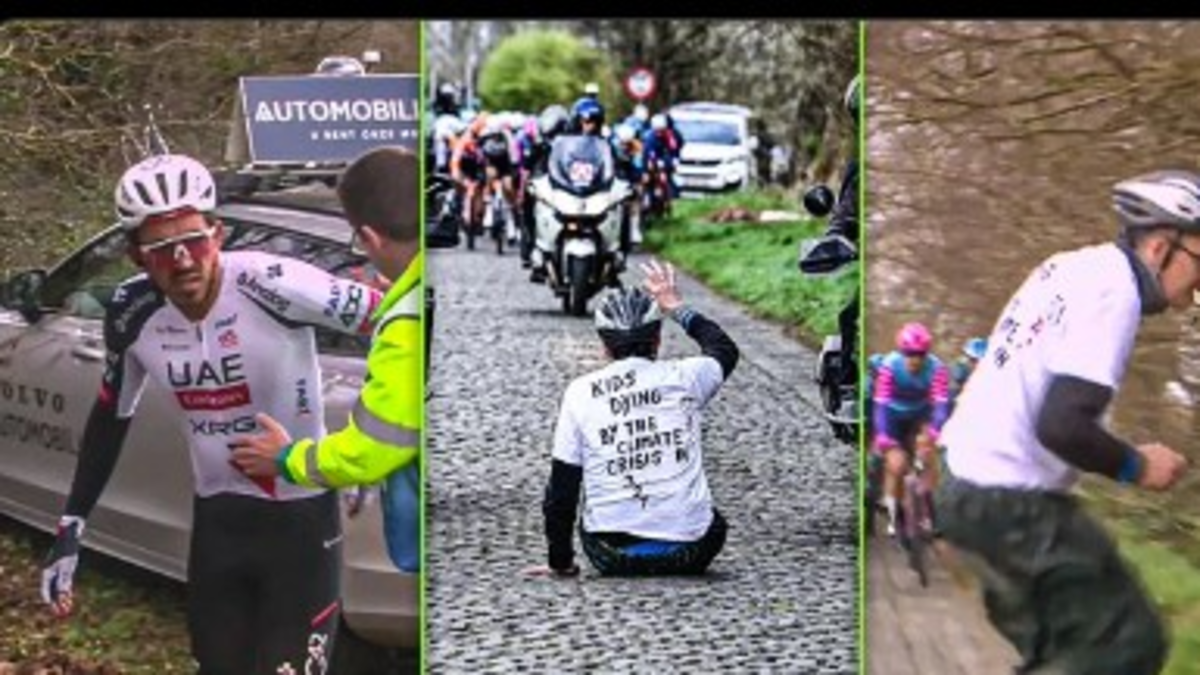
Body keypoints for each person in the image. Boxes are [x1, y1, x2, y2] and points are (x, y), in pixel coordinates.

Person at [39, 153, 387, 672]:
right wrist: (71, 525)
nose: (182, 260)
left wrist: (360, 446)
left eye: (194, 240)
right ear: (136, 256)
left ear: (218, 234)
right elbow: (112, 414)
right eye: (161, 248)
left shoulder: (273, 281)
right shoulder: (133, 314)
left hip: (301, 523)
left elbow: (405, 326)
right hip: (218, 525)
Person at [938, 170, 1198, 674]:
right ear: (1162, 248)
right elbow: (1062, 425)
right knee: (1127, 642)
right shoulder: (1114, 295)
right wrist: (1137, 466)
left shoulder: (1071, 268)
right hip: (1008, 500)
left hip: (963, 486)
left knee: (1062, 652)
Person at [231, 146, 423, 575]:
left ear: (371, 238)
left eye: (359, 240)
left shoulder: (407, 320)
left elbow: (374, 450)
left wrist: (287, 459)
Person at [530, 260, 739, 577]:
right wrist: (675, 305)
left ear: (604, 347)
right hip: (692, 550)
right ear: (657, 340)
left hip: (612, 555)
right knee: (714, 521)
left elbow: (562, 488)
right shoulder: (686, 376)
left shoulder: (579, 393)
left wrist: (560, 562)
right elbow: (723, 348)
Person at [871, 322, 951, 537]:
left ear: (926, 354)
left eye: (919, 354)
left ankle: (927, 506)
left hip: (920, 413)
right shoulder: (889, 366)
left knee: (927, 454)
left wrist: (934, 431)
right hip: (893, 416)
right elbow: (880, 405)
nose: (914, 359)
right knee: (896, 466)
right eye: (909, 354)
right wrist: (883, 435)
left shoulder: (937, 369)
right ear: (901, 352)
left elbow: (941, 405)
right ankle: (892, 511)